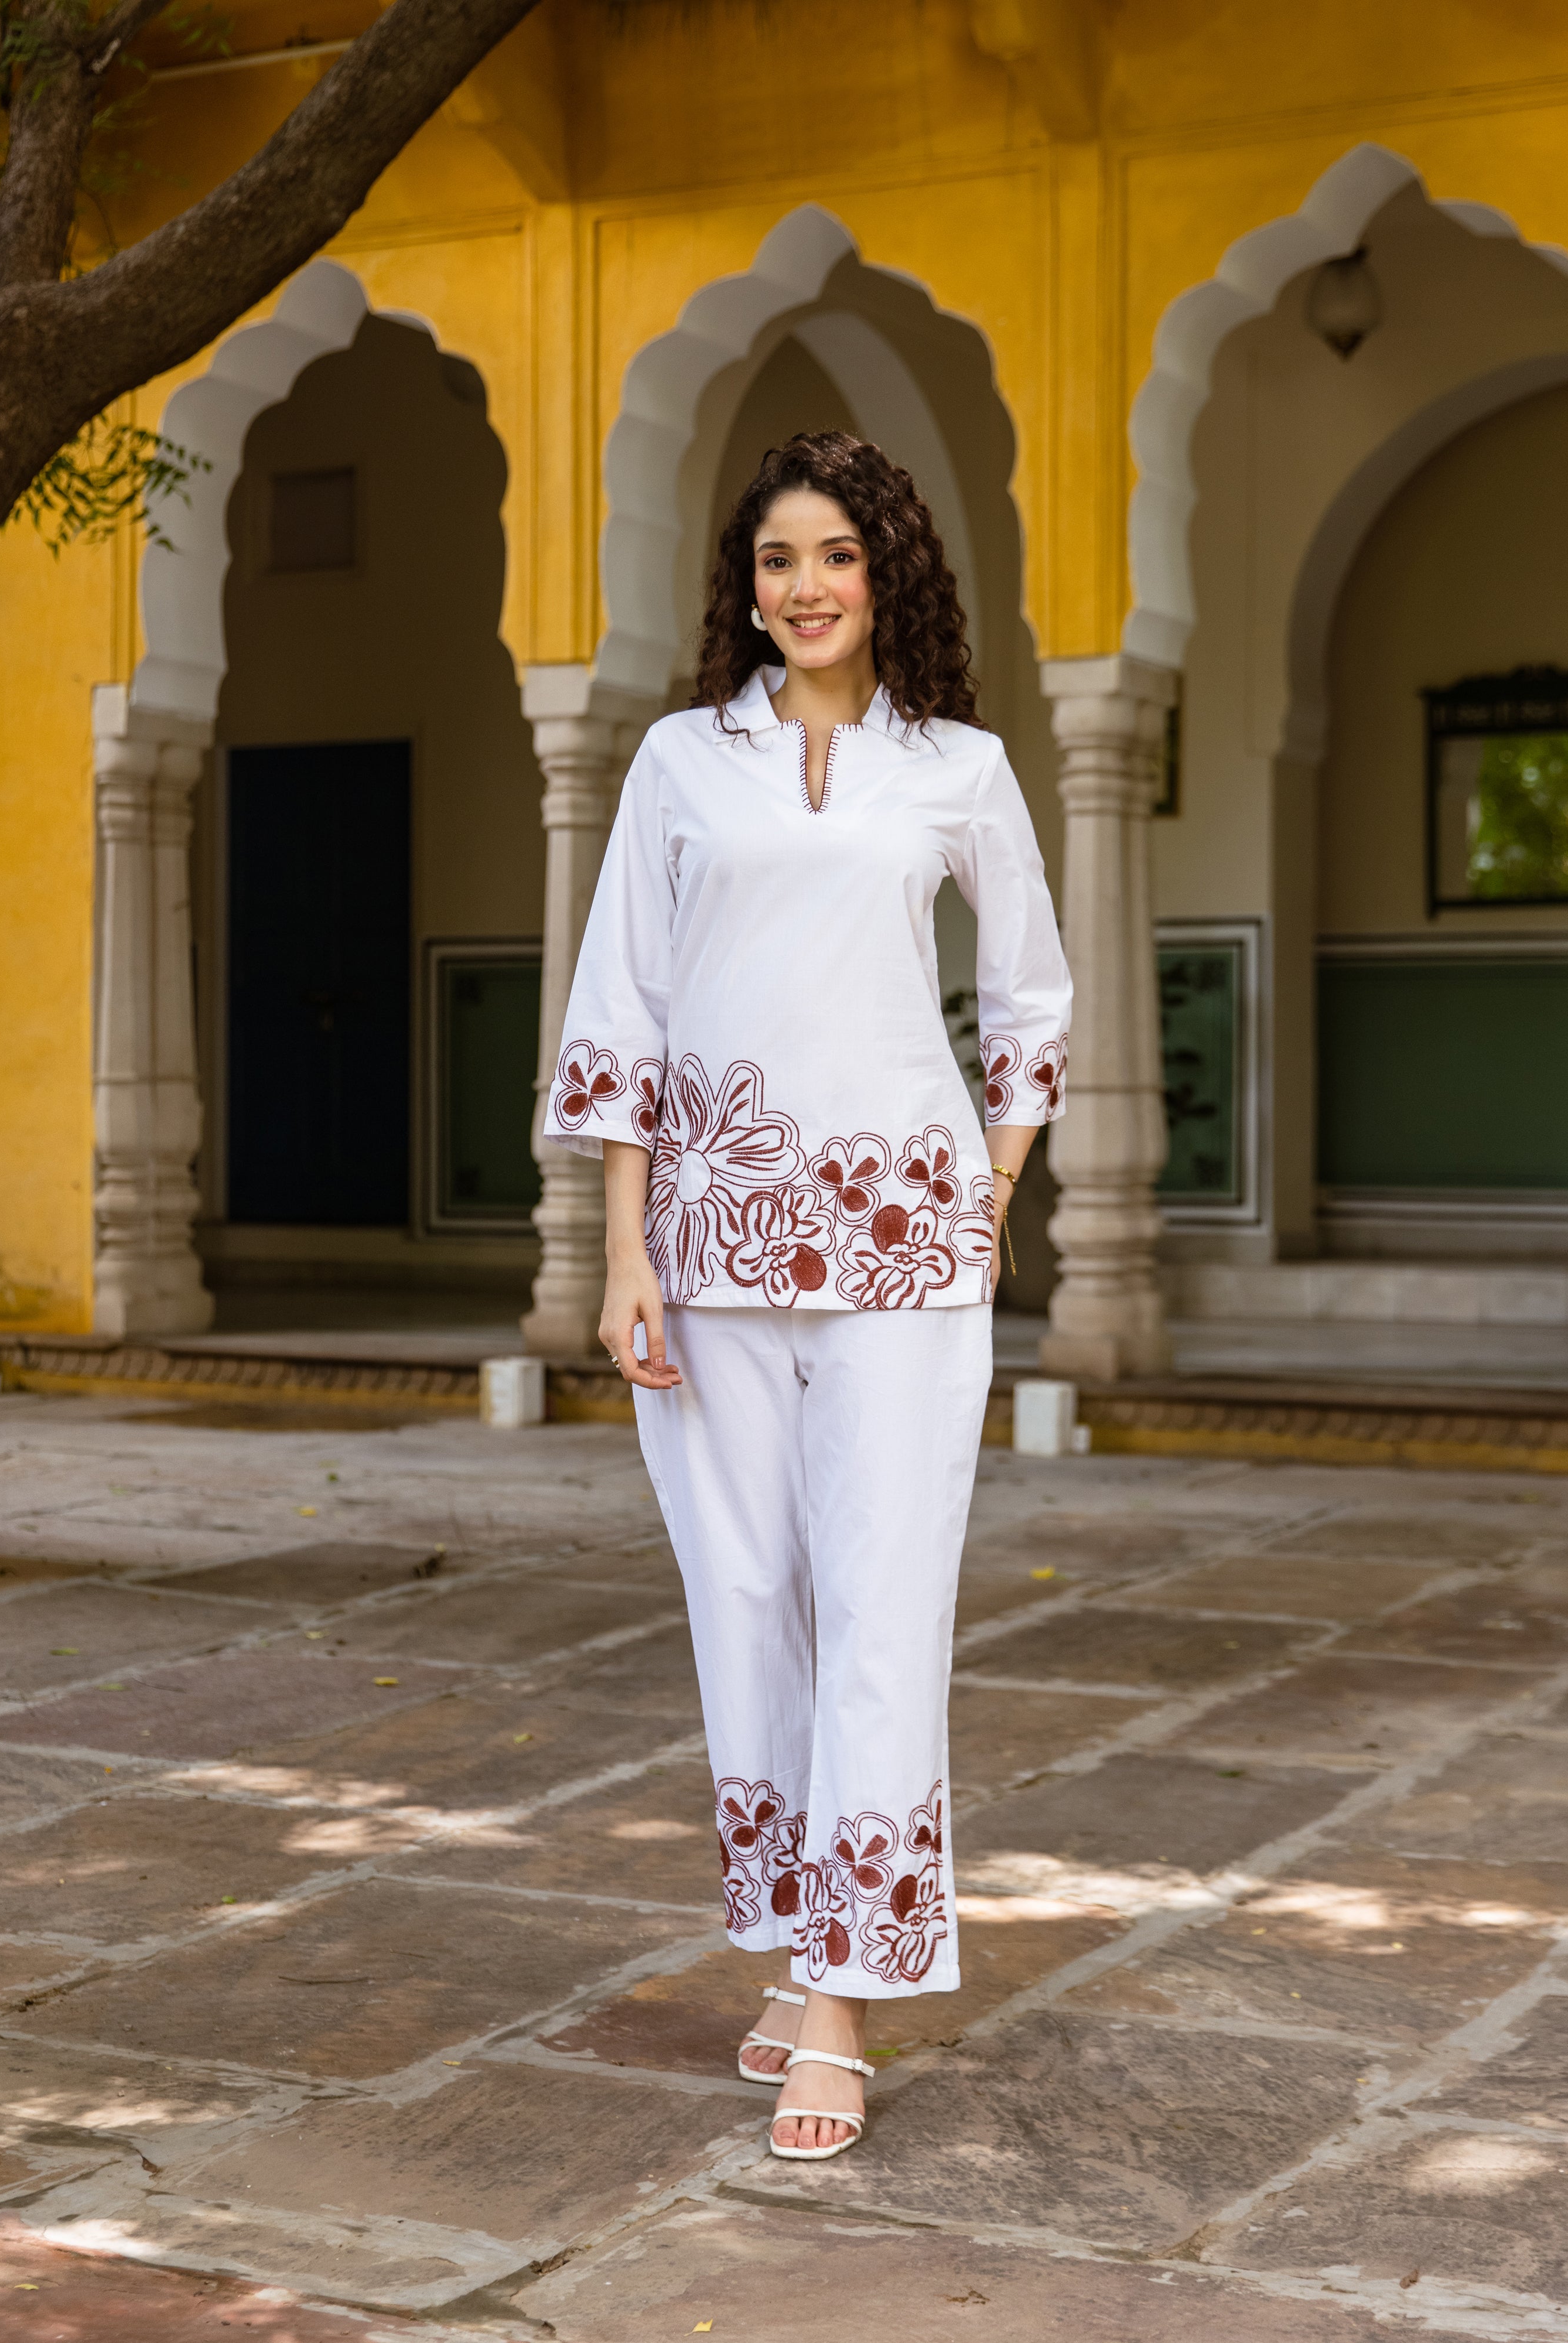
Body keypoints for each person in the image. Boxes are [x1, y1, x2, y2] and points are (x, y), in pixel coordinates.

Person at [546, 430, 1070, 2160]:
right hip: (703, 1247)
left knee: (883, 1594)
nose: (808, 587)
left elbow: (1030, 1001)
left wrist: (988, 1199)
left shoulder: (961, 771)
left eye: (837, 554)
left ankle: (844, 1990)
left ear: (888, 568)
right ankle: (790, 1936)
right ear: (747, 585)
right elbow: (624, 1004)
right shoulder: (682, 763)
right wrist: (623, 1248)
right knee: (744, 1592)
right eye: (778, 559)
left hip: (906, 1250)